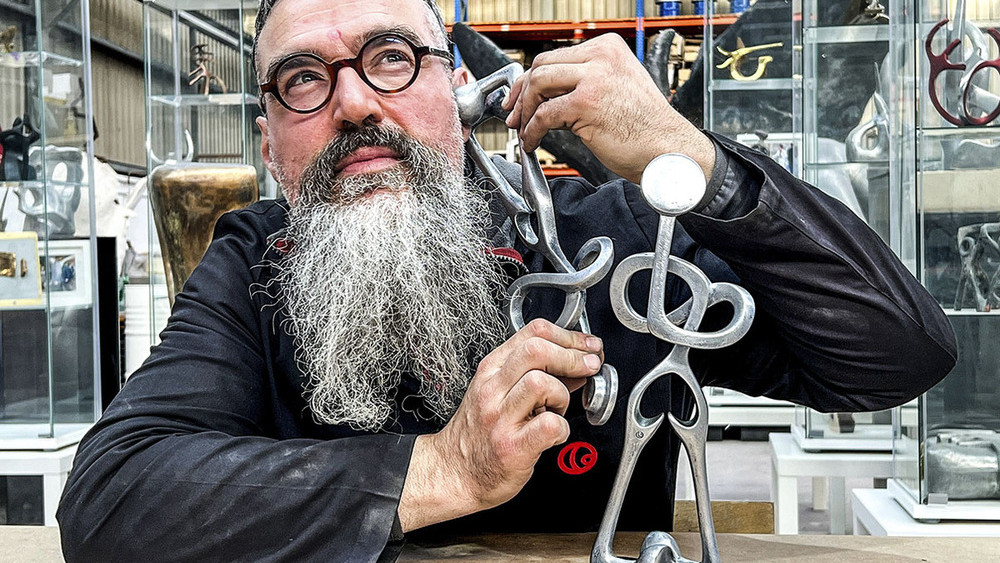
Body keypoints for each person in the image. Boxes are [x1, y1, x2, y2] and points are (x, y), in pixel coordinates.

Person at [57, 0, 956, 561]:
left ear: (458, 88)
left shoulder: (609, 244)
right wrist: (441, 468)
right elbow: (110, 500)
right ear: (268, 143)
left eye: (392, 57)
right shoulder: (254, 261)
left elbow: (896, 354)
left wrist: (697, 161)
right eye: (303, 78)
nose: (357, 101)